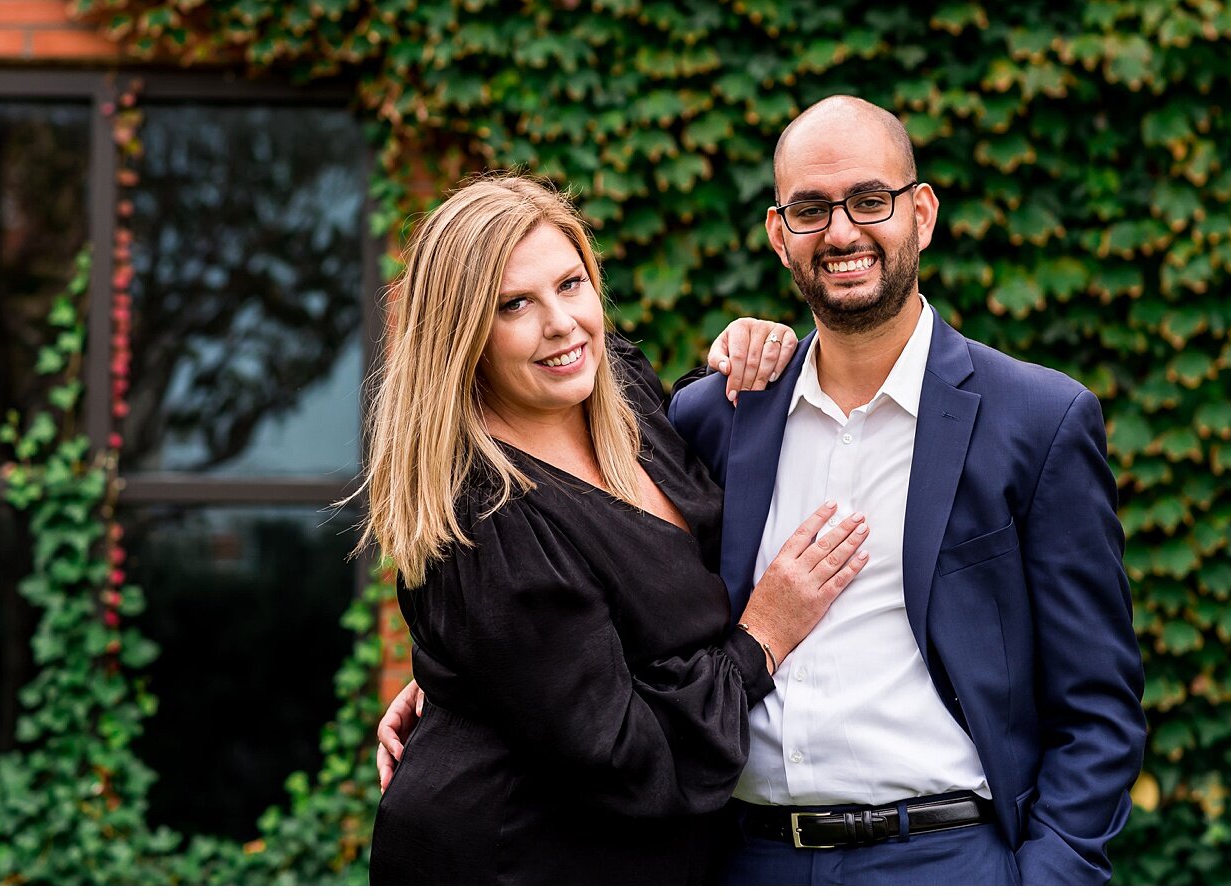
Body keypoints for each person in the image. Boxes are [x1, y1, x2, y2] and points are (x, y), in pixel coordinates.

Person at [381, 97, 1146, 885]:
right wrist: (466, 676)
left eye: (870, 201)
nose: (843, 232)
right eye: (812, 209)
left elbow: (1098, 705)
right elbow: (542, 601)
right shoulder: (721, 418)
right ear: (780, 237)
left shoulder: (1037, 420)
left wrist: (1051, 879)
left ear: (922, 213)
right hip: (739, 857)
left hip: (942, 855)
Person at [361, 172, 872, 884]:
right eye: (515, 305)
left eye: (571, 285)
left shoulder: (617, 387)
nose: (562, 323)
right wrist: (765, 636)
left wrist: (751, 354)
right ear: (463, 337)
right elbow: (632, 757)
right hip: (521, 857)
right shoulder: (491, 522)